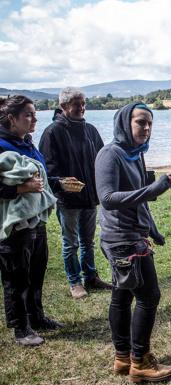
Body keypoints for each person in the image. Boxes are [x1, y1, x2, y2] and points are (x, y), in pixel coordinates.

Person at [95, 102, 171, 382]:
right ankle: (140, 362)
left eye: (150, 124)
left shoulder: (134, 153)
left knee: (122, 294)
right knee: (148, 296)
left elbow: (138, 199)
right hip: (122, 240)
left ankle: (122, 358)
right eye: (140, 122)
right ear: (124, 123)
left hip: (134, 235)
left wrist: (152, 230)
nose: (146, 128)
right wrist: (152, 189)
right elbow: (107, 199)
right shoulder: (110, 154)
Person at [0, 95, 63, 347]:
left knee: (36, 270)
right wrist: (18, 190)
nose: (34, 119)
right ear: (11, 119)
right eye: (29, 115)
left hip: (34, 220)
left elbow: (40, 176)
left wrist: (57, 183)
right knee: (16, 277)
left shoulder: (25, 141)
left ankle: (36, 317)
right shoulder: (2, 145)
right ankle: (21, 328)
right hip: (13, 224)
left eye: (35, 114)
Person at [39, 87, 111, 299]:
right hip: (68, 199)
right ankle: (75, 282)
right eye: (76, 104)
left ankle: (91, 277)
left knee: (88, 241)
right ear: (63, 107)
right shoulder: (52, 132)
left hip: (89, 196)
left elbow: (101, 160)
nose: (81, 108)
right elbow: (46, 169)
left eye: (83, 103)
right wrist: (61, 183)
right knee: (71, 243)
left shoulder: (90, 130)